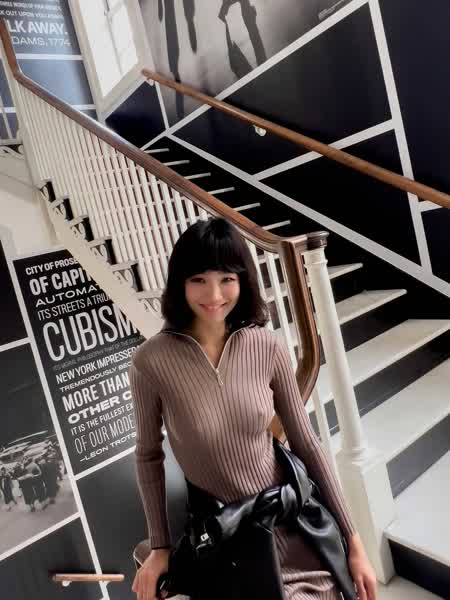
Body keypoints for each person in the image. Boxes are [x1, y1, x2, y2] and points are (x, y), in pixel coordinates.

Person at [130, 218, 377, 600]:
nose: (214, 294)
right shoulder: (151, 362)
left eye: (227, 278)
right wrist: (160, 546)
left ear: (243, 280)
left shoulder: (267, 346)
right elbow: (148, 456)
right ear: (180, 283)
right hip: (230, 540)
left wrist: (354, 541)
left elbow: (307, 443)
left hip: (294, 522)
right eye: (199, 279)